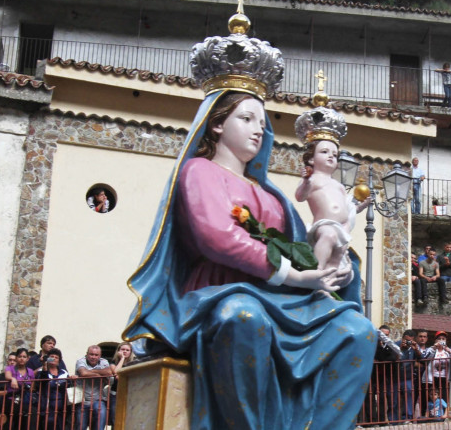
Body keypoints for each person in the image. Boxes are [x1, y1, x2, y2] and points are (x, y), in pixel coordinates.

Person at [123, 64, 376, 430]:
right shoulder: (199, 171)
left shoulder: (270, 194)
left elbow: (297, 247)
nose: (259, 128)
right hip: (217, 292)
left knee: (358, 330)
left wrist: (334, 265)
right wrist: (293, 275)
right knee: (242, 317)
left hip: (280, 296)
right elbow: (217, 237)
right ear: (216, 124)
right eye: (247, 118)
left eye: (263, 122)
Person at [295, 130, 372, 274]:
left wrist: (360, 207)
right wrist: (305, 182)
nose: (331, 156)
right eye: (324, 152)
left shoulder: (339, 185)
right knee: (329, 236)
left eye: (334, 155)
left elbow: (347, 206)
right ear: (311, 159)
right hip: (324, 224)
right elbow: (300, 197)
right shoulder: (312, 179)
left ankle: (329, 277)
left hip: (343, 225)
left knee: (340, 251)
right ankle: (316, 271)